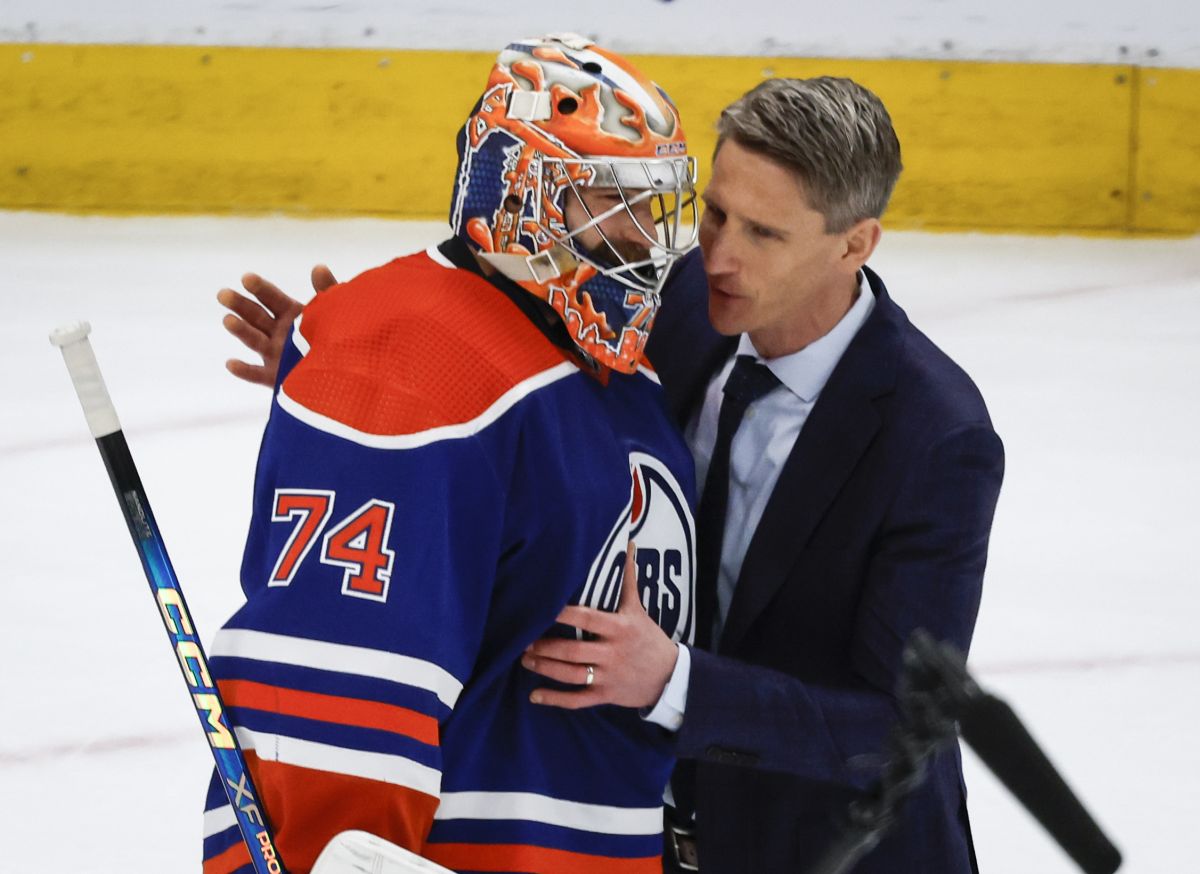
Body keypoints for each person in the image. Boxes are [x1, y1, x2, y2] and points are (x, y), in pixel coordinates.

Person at [223, 78, 1005, 874]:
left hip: (825, 854)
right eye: (716, 213)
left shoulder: (936, 438)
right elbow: (517, 343)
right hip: (645, 837)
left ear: (854, 244)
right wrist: (356, 356)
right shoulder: (680, 301)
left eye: (763, 234)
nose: (719, 255)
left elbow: (902, 728)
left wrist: (677, 682)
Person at [203, 34, 700, 874]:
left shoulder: (609, 357)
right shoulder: (413, 362)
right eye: (607, 203)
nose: (642, 237)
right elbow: (336, 704)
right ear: (519, 193)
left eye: (648, 207)